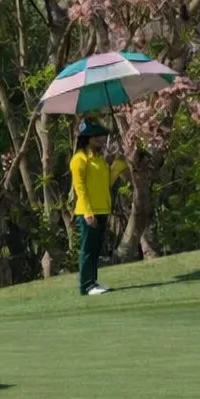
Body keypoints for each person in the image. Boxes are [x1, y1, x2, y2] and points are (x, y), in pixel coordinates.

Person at [71, 119, 127, 296]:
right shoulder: (79, 160)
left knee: (95, 249)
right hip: (88, 211)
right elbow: (80, 189)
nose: (102, 139)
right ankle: (86, 286)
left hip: (102, 209)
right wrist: (88, 212)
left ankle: (92, 282)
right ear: (88, 139)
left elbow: (106, 182)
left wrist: (119, 163)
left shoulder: (99, 160)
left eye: (102, 135)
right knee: (88, 250)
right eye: (98, 136)